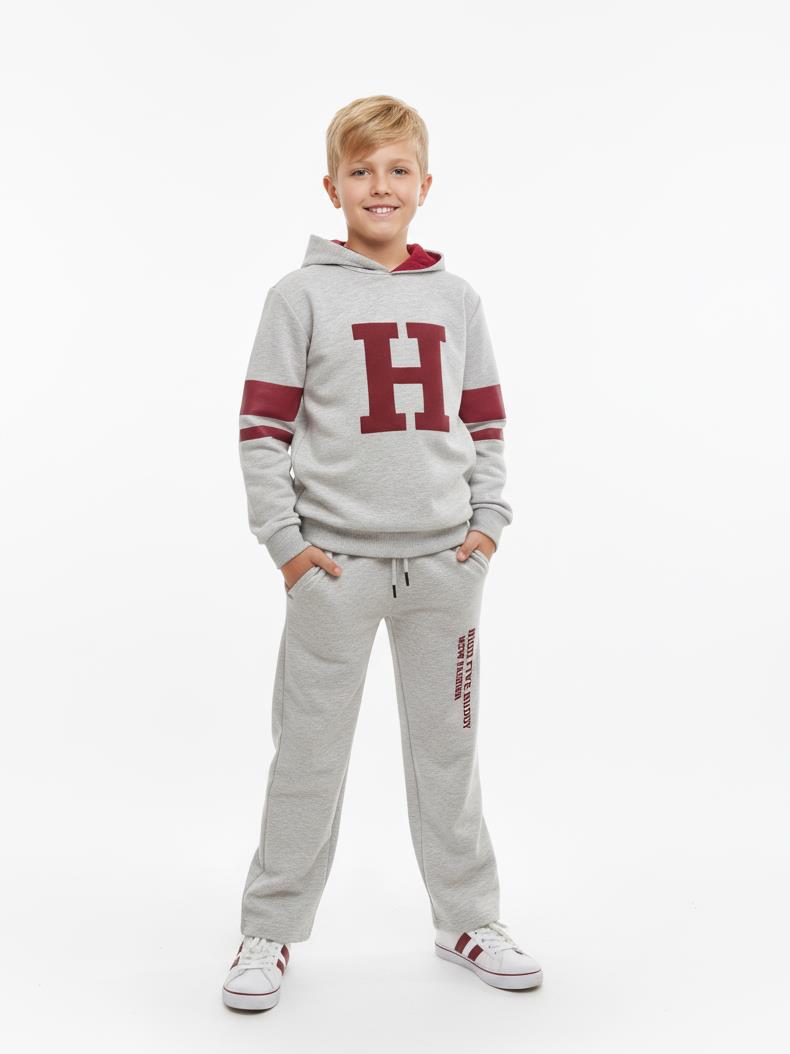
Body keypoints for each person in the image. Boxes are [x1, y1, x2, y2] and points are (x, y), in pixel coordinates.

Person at [222, 94, 543, 1012]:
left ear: (425, 185)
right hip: (334, 571)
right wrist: (287, 547)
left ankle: (468, 918)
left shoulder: (457, 299)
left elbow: (484, 421)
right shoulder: (298, 297)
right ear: (332, 187)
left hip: (446, 569)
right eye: (360, 170)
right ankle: (270, 928)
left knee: (450, 754)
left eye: (398, 169)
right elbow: (261, 431)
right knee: (307, 757)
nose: (380, 185)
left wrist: (486, 525)